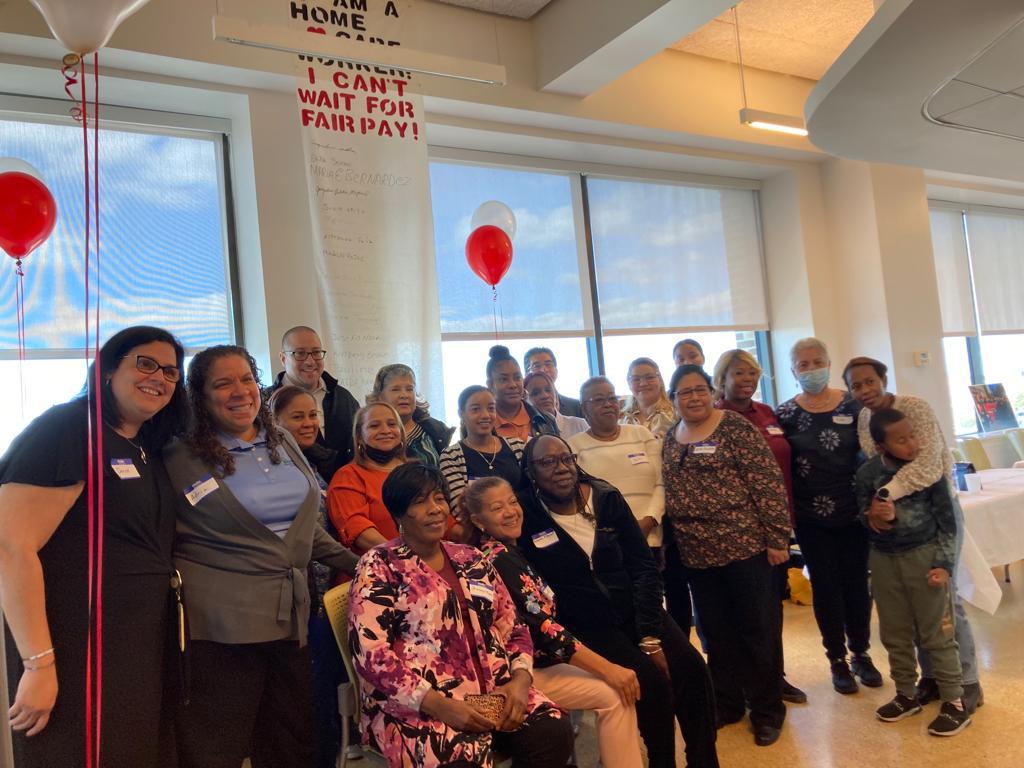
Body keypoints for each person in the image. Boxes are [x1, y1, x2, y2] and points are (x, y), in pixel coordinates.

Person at [0, 326, 189, 767]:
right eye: (145, 363)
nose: (159, 377)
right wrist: (38, 665)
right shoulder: (68, 427)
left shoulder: (142, 445)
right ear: (106, 370)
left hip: (134, 647)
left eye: (171, 371)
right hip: (75, 647)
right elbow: (12, 547)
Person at [165, 344, 359, 768]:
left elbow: (303, 533)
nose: (239, 391)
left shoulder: (281, 438)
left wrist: (361, 565)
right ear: (199, 394)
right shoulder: (180, 456)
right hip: (221, 630)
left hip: (290, 621)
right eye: (223, 383)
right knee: (219, 749)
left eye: (246, 379)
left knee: (291, 742)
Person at [347, 462, 574, 768]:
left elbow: (514, 627)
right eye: (419, 502)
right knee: (457, 761)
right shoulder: (379, 566)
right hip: (421, 707)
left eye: (439, 499)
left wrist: (520, 680)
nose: (435, 509)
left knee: (552, 731)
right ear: (398, 514)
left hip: (495, 693)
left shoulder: (470, 557)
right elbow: (371, 655)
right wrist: (441, 706)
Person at [518, 434, 719, 768]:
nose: (560, 468)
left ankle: (703, 760)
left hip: (637, 608)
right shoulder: (526, 512)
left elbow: (643, 566)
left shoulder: (606, 497)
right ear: (531, 471)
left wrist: (650, 635)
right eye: (547, 462)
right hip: (587, 625)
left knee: (693, 670)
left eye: (565, 458)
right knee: (649, 683)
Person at [461, 476, 644, 768]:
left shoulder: (510, 551)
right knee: (615, 692)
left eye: (512, 501)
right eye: (497, 508)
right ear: (478, 520)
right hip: (517, 672)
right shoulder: (497, 559)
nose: (510, 511)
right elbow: (545, 630)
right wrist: (609, 670)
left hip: (536, 661)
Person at [844, 355, 982, 714]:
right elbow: (877, 465)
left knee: (945, 609)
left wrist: (886, 496)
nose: (864, 390)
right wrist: (875, 510)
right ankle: (932, 680)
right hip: (893, 537)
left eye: (869, 381)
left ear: (883, 378)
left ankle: (966, 684)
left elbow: (928, 461)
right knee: (912, 614)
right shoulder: (864, 417)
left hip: (932, 517)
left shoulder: (913, 407)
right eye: (855, 386)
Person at [662, 364, 790, 746]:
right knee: (715, 634)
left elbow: (767, 483)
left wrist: (777, 538)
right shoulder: (671, 437)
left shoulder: (735, 428)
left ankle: (767, 710)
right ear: (674, 399)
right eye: (685, 392)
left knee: (757, 630)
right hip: (697, 555)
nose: (694, 397)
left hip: (745, 547)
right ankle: (729, 702)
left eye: (700, 389)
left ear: (711, 391)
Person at [775, 338, 882, 695]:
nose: (811, 369)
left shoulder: (855, 406)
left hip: (854, 513)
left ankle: (861, 654)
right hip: (810, 517)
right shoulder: (785, 413)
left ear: (829, 363)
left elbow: (872, 455)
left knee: (856, 584)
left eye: (817, 361)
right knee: (826, 587)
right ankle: (836, 659)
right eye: (802, 364)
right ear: (793, 371)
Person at [855, 409, 971, 736]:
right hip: (884, 561)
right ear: (881, 446)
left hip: (925, 559)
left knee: (937, 633)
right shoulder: (867, 474)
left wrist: (943, 566)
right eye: (901, 439)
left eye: (913, 435)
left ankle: (954, 701)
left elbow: (949, 525)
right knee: (894, 632)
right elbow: (863, 518)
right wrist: (876, 516)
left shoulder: (927, 471)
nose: (912, 444)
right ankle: (906, 694)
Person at [713, 349, 807, 705]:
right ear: (723, 378)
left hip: (778, 526)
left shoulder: (767, 413)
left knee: (771, 610)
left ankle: (773, 678)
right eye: (739, 373)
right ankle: (745, 685)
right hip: (738, 534)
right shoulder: (715, 418)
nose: (747, 380)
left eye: (752, 373)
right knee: (743, 616)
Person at [269, 384, 349, 768]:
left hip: (322, 595)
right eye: (297, 416)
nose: (308, 422)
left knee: (325, 699)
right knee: (309, 702)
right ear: (274, 422)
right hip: (298, 603)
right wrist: (360, 562)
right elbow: (309, 538)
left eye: (312, 414)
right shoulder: (275, 467)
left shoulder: (308, 463)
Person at [569, 376, 665, 551]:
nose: (608, 404)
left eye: (612, 398)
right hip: (607, 543)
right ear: (584, 408)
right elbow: (578, 496)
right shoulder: (573, 446)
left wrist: (650, 519)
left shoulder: (641, 434)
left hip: (650, 537)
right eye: (599, 399)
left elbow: (662, 482)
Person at [265, 325, 360, 479]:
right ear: (283, 358)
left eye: (316, 353)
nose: (310, 361)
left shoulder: (343, 398)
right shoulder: (265, 402)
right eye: (300, 353)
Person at [327, 403, 409, 556]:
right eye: (374, 426)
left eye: (392, 424)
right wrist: (404, 558)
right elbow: (357, 529)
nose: (385, 430)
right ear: (359, 437)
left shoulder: (419, 471)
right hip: (376, 570)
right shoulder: (348, 477)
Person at [439, 385, 526, 505]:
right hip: (476, 523)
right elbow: (459, 505)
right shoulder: (451, 456)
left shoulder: (517, 446)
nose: (485, 415)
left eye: (491, 408)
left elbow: (531, 490)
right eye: (475, 409)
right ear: (461, 414)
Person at [368, 363, 453, 467]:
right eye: (395, 389)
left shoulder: (436, 430)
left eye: (409, 389)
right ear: (380, 396)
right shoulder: (371, 435)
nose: (404, 395)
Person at [488, 345, 558, 442]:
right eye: (503, 379)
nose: (513, 385)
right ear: (490, 384)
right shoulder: (483, 423)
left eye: (517, 378)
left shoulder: (545, 420)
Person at [620, 357, 676, 439]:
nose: (643, 384)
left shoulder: (675, 414)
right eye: (636, 379)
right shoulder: (622, 418)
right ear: (629, 383)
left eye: (650, 377)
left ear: (660, 380)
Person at [524, 370, 588, 439]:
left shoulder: (579, 425)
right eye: (535, 393)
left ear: (555, 393)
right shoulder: (525, 432)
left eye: (548, 390)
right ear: (525, 399)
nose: (545, 396)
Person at [524, 346, 584, 418]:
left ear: (556, 370)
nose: (544, 369)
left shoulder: (576, 406)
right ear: (526, 374)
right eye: (537, 366)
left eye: (548, 364)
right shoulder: (521, 408)